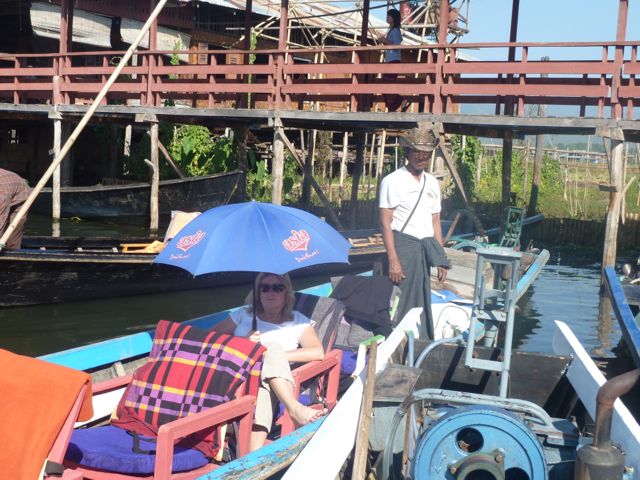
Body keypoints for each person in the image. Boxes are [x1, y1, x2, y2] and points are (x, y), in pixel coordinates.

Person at [213, 272, 327, 451]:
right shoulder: (244, 315)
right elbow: (210, 339)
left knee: (268, 371)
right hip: (238, 375)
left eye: (277, 288)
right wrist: (243, 343)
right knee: (271, 351)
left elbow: (317, 352)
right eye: (264, 288)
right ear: (257, 293)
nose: (270, 293)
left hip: (271, 381)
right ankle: (294, 408)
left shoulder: (297, 321)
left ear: (286, 293)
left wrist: (273, 356)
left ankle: (251, 456)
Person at [379, 122, 449, 340]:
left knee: (422, 295)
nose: (421, 157)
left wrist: (440, 257)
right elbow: (385, 223)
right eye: (417, 152)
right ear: (407, 152)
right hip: (403, 247)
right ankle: (393, 340)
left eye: (426, 153)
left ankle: (420, 340)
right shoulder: (392, 181)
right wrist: (393, 260)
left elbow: (435, 221)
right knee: (399, 298)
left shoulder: (432, 183)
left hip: (424, 249)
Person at [378, 8, 409, 112]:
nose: (387, 17)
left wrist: (385, 40)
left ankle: (399, 102)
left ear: (394, 18)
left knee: (387, 85)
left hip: (393, 61)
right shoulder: (392, 30)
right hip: (390, 60)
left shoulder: (395, 31)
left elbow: (396, 46)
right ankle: (394, 106)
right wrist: (384, 41)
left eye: (389, 16)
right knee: (385, 85)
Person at [0, 168, 31, 250]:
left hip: (20, 193)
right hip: (7, 184)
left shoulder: (1, 194)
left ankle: (13, 253)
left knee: (12, 236)